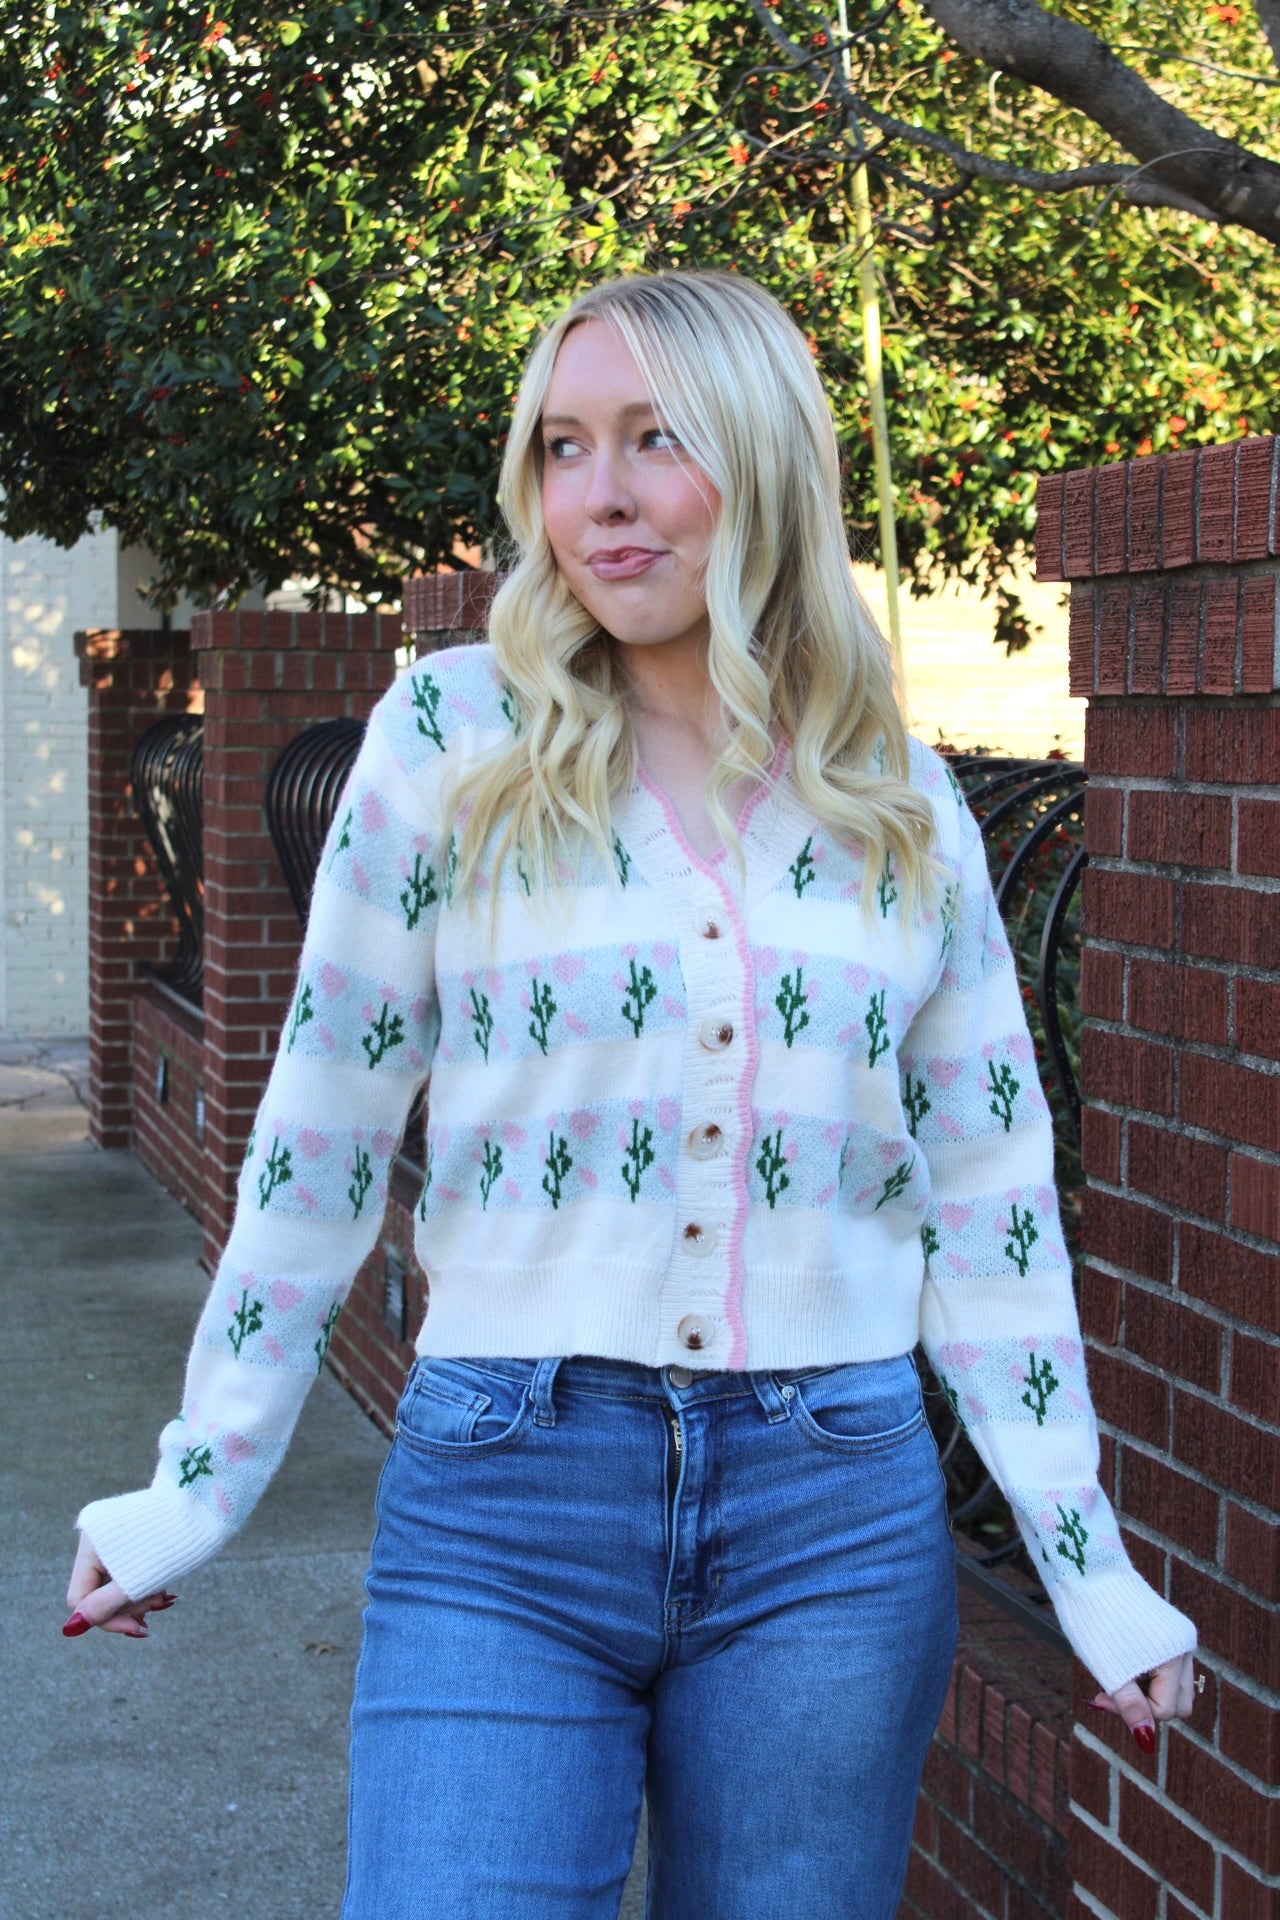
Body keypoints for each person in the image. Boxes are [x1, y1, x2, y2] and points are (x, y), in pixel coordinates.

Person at [65, 270, 1196, 1918]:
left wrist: (1085, 1567)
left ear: (764, 465)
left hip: (834, 1522)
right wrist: (197, 1479)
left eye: (657, 439)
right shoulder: (449, 738)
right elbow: (317, 1139)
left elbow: (994, 1207)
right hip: (503, 1495)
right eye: (562, 446)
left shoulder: (900, 805)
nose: (597, 494)